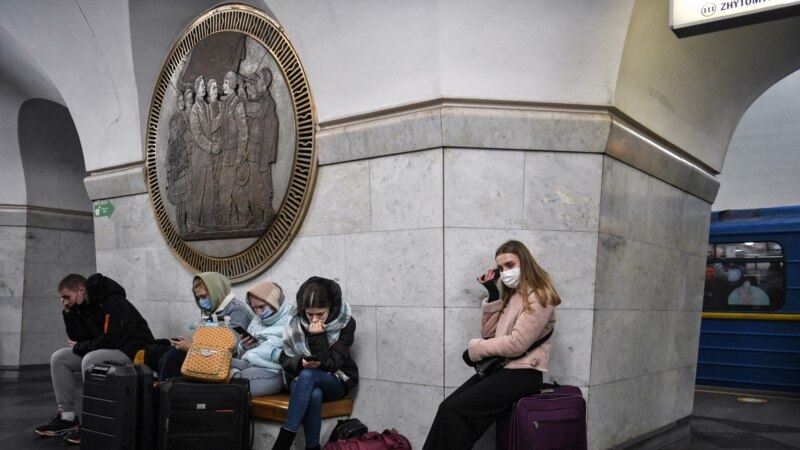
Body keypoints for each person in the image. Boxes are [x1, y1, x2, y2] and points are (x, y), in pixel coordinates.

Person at [423, 240, 560, 450]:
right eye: (501, 268)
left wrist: (475, 350)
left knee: (457, 412)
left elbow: (516, 344)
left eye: (510, 265)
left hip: (523, 374)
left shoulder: (540, 296)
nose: (505, 272)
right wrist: (493, 294)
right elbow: (489, 334)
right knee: (447, 407)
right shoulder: (514, 295)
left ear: (525, 263)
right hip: (503, 370)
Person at [33, 273, 154, 446]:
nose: (64, 301)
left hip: (133, 351)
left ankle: (94, 423)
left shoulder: (114, 302)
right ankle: (67, 418)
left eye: (67, 297)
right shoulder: (82, 306)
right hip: (108, 349)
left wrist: (80, 347)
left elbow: (112, 339)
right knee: (59, 357)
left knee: (90, 359)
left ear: (81, 290)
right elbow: (78, 339)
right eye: (62, 299)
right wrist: (69, 312)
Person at [272, 277, 358, 450]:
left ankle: (282, 444)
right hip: (303, 380)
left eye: (320, 314)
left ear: (331, 309)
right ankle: (313, 447)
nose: (314, 319)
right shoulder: (295, 320)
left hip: (337, 379)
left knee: (308, 376)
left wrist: (317, 337)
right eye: (310, 314)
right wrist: (300, 362)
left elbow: (332, 364)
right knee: (314, 393)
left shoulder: (345, 323)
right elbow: (284, 357)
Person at [158, 272, 253, 381]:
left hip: (227, 362)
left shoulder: (237, 310)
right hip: (208, 357)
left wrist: (192, 348)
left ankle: (168, 394)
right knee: (167, 354)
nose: (201, 301)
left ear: (215, 292)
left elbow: (232, 347)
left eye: (203, 296)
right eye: (198, 298)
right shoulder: (212, 310)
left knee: (172, 358)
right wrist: (191, 344)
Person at [230, 281, 292, 396]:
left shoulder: (292, 316)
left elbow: (293, 349)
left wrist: (265, 339)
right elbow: (242, 351)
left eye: (261, 307)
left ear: (274, 301)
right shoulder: (257, 320)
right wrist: (244, 346)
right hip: (251, 361)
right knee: (219, 365)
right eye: (254, 308)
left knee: (237, 383)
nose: (258, 312)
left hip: (274, 370)